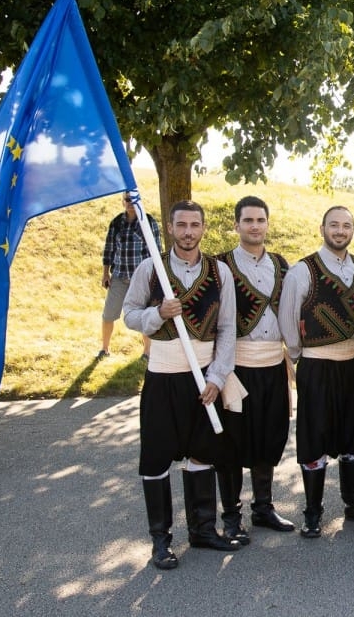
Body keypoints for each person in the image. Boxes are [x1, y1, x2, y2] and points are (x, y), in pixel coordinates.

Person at [123, 200, 242, 569]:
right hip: (162, 377)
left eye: (195, 225)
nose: (189, 231)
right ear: (171, 228)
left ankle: (203, 530)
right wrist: (157, 314)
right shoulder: (150, 269)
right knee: (157, 458)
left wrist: (218, 377)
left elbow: (227, 330)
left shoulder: (219, 272)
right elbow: (128, 314)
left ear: (203, 228)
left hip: (204, 379)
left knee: (202, 454)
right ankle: (160, 541)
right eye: (181, 225)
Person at [278, 205, 354, 539]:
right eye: (334, 225)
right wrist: (302, 356)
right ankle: (312, 512)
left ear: (353, 230)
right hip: (318, 363)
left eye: (346, 225)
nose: (340, 231)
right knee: (316, 435)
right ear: (322, 228)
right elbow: (287, 320)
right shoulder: (302, 271)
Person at [215, 196, 295, 543]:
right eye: (248, 220)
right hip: (237, 365)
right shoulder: (220, 265)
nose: (255, 226)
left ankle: (263, 506)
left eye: (260, 220)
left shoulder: (280, 264)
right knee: (233, 441)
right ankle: (231, 514)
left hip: (273, 363)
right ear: (236, 225)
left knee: (269, 434)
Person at [99, 192, 161, 359]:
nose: (130, 203)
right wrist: (105, 274)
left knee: (145, 315)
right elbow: (109, 250)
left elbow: (156, 252)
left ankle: (147, 352)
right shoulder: (116, 223)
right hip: (119, 276)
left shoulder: (148, 222)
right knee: (109, 314)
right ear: (122, 202)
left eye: (134, 199)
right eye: (127, 199)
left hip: (142, 279)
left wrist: (154, 278)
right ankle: (104, 349)